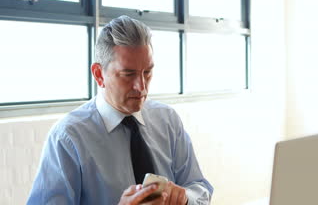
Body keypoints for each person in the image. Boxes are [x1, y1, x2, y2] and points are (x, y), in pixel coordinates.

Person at [27, 15, 213, 205]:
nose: (141, 87)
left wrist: (185, 198)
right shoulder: (68, 137)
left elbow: (199, 187)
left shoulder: (167, 120)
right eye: (128, 74)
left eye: (147, 72)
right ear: (99, 75)